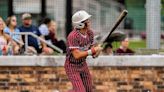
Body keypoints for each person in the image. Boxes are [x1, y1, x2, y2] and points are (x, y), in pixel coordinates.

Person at [64, 10, 102, 92]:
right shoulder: (73, 36)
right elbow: (77, 55)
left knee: (88, 90)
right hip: (72, 66)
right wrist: (92, 50)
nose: (89, 22)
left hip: (83, 64)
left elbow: (93, 55)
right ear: (80, 24)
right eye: (87, 21)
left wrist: (98, 51)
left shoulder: (90, 33)